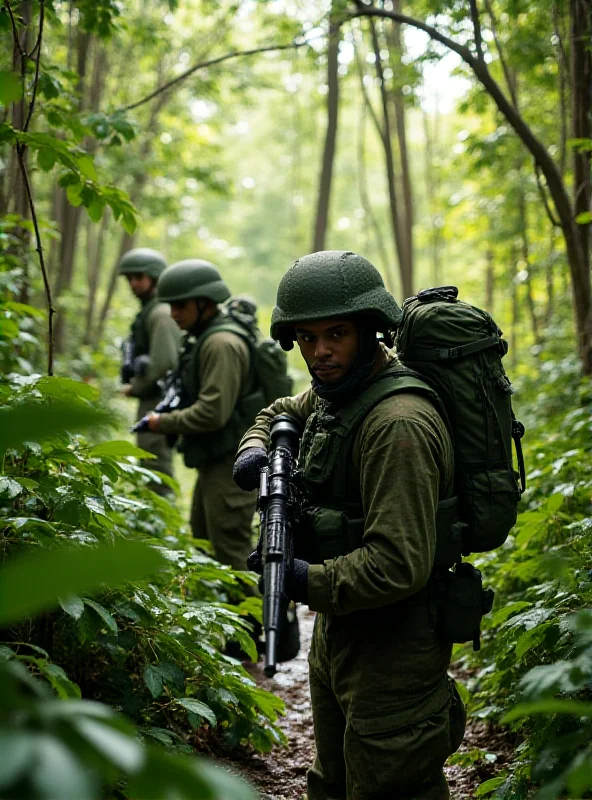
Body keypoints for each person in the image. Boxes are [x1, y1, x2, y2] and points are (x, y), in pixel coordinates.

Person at [233, 250, 466, 800]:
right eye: (307, 338)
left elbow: (397, 565)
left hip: (396, 641)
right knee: (332, 780)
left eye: (335, 334)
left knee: (390, 785)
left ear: (369, 331)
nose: (321, 352)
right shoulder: (341, 393)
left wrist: (299, 579)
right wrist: (256, 448)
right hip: (342, 624)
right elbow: (281, 409)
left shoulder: (396, 425)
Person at [145, 259, 260, 573]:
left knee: (231, 554)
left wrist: (161, 422)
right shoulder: (206, 337)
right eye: (171, 306)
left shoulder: (222, 344)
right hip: (216, 460)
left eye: (181, 306)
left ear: (204, 302)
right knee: (204, 546)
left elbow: (212, 413)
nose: (174, 314)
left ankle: (260, 621)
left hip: (232, 465)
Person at [118, 247, 180, 494]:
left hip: (158, 399)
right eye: (129, 278)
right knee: (149, 462)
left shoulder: (160, 313)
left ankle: (160, 520)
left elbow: (163, 362)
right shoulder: (152, 310)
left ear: (154, 278)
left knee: (155, 465)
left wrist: (137, 387)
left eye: (139, 277)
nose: (133, 284)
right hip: (155, 397)